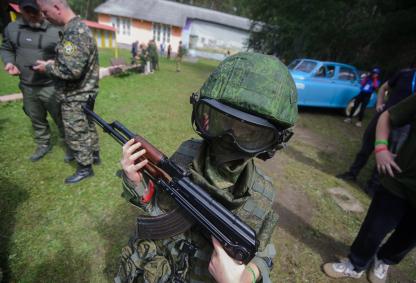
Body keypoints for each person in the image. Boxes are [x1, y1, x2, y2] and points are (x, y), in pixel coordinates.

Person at [115, 52, 298, 283]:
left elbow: (262, 253)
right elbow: (161, 206)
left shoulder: (261, 196)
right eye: (222, 120)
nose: (230, 137)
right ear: (203, 115)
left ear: (272, 141)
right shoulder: (186, 155)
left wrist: (244, 277)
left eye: (251, 133)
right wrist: (137, 182)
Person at [323, 89, 416, 283]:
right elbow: (388, 115)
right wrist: (380, 147)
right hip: (399, 181)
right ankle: (355, 264)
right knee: (374, 229)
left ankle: (383, 259)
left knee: (408, 240)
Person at [336, 45, 416, 189]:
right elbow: (384, 88)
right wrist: (379, 104)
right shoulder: (404, 74)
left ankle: (372, 185)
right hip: (383, 119)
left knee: (387, 156)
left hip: (403, 128)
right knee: (366, 149)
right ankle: (352, 173)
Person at [34, 0, 100, 184]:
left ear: (56, 7)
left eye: (45, 12)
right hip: (86, 91)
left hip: (76, 94)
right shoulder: (78, 28)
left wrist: (47, 67)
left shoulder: (74, 32)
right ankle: (93, 155)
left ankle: (85, 168)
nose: (44, 16)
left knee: (76, 131)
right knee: (87, 126)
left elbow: (71, 71)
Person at [0, 0, 64, 161]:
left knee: (61, 116)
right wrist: (9, 62)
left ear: (42, 10)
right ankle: (43, 144)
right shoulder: (12, 28)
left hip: (51, 85)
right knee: (35, 116)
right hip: (27, 86)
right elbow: (7, 48)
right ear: (20, 10)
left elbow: (69, 55)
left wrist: (53, 65)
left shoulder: (55, 29)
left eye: (35, 11)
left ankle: (68, 142)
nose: (31, 15)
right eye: (27, 11)